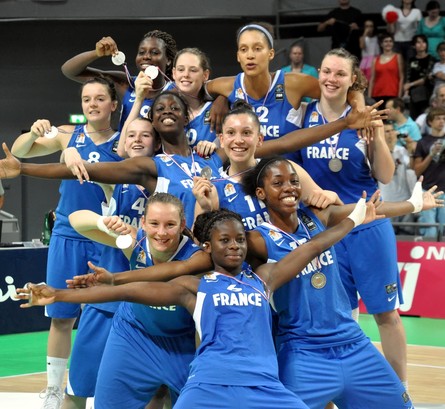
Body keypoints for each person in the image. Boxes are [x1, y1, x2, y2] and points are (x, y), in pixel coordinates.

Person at [16, 196, 377, 409]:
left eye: (170, 225)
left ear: (184, 226)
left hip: (228, 368)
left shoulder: (256, 277)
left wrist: (357, 217)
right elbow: (124, 289)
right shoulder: (189, 281)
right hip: (169, 356)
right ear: (142, 224)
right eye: (154, 224)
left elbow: (313, 246)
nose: (161, 231)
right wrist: (62, 293)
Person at [241, 156, 440, 408]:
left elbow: (370, 209)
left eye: (293, 181)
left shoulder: (316, 218)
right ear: (261, 193)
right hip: (303, 352)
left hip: (353, 343)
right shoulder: (258, 240)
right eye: (278, 183)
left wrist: (413, 205)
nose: (289, 188)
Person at [294, 47, 410, 389]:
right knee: (341, 318)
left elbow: (386, 176)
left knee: (386, 314)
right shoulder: (302, 116)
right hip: (324, 232)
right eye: (327, 72)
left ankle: (399, 391)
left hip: (367, 226)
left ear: (352, 80)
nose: (331, 79)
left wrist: (377, 135)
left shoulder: (366, 117)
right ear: (319, 74)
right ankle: (349, 389)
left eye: (340, 74)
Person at [10, 77, 121, 409]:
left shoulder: (124, 142)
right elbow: (19, 152)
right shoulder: (67, 135)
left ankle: (102, 384)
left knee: (101, 314)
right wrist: (33, 132)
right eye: (87, 99)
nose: (92, 104)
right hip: (68, 236)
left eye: (100, 98)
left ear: (113, 105)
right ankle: (55, 389)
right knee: (61, 316)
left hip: (106, 237)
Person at [60, 117, 159, 409]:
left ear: (156, 142)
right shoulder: (112, 179)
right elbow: (77, 210)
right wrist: (70, 151)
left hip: (150, 304)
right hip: (106, 303)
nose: (138, 140)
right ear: (122, 142)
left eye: (145, 135)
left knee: (154, 394)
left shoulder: (167, 182)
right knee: (78, 388)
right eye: (131, 135)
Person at [192, 99, 387, 231]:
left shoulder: (285, 170)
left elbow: (332, 213)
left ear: (260, 139)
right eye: (231, 133)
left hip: (293, 277)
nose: (239, 140)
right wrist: (206, 209)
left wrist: (331, 196)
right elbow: (200, 244)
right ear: (221, 139)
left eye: (246, 133)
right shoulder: (212, 187)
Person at [205, 22, 366, 151]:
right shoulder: (227, 86)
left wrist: (361, 110)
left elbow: (347, 91)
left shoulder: (293, 83)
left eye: (257, 48)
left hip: (289, 180)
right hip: (246, 179)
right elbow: (189, 89)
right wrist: (221, 98)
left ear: (271, 53)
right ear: (238, 56)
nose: (250, 55)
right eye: (243, 49)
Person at [61, 30, 177, 130]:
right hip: (125, 155)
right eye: (141, 52)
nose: (146, 56)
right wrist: (96, 53)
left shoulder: (177, 91)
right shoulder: (126, 83)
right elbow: (70, 71)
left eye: (155, 52)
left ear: (168, 60)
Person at [379, 121, 418, 234]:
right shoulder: (377, 151)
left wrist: (411, 151)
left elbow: (411, 169)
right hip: (386, 201)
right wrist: (390, 150)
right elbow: (387, 170)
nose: (391, 134)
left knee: (408, 234)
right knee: (389, 235)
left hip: (404, 199)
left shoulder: (402, 150)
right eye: (387, 131)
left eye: (392, 130)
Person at [413, 107, 445, 238]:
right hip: (427, 191)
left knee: (444, 231)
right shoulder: (422, 142)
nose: (442, 121)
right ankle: (427, 259)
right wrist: (431, 154)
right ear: (430, 122)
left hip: (444, 190)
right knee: (430, 231)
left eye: (444, 118)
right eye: (438, 118)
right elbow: (417, 170)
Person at [404, 34, 437, 120]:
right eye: (418, 42)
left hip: (426, 92)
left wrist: (411, 84)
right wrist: (406, 90)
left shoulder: (431, 59)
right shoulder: (411, 60)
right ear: (414, 46)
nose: (421, 44)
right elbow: (408, 76)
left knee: (424, 116)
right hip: (413, 94)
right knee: (413, 116)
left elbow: (427, 77)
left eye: (423, 42)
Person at [368, 32, 404, 105]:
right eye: (386, 41)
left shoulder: (398, 57)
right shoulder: (375, 60)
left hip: (393, 93)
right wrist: (369, 97)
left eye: (390, 41)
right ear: (381, 44)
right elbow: (372, 79)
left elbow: (402, 77)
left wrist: (399, 96)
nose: (388, 43)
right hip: (377, 94)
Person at [383, 0, 422, 66]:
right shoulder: (395, 11)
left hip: (411, 42)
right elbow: (391, 31)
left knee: (411, 65)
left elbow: (419, 29)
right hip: (397, 42)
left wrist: (417, 42)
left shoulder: (417, 12)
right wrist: (389, 21)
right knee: (396, 65)